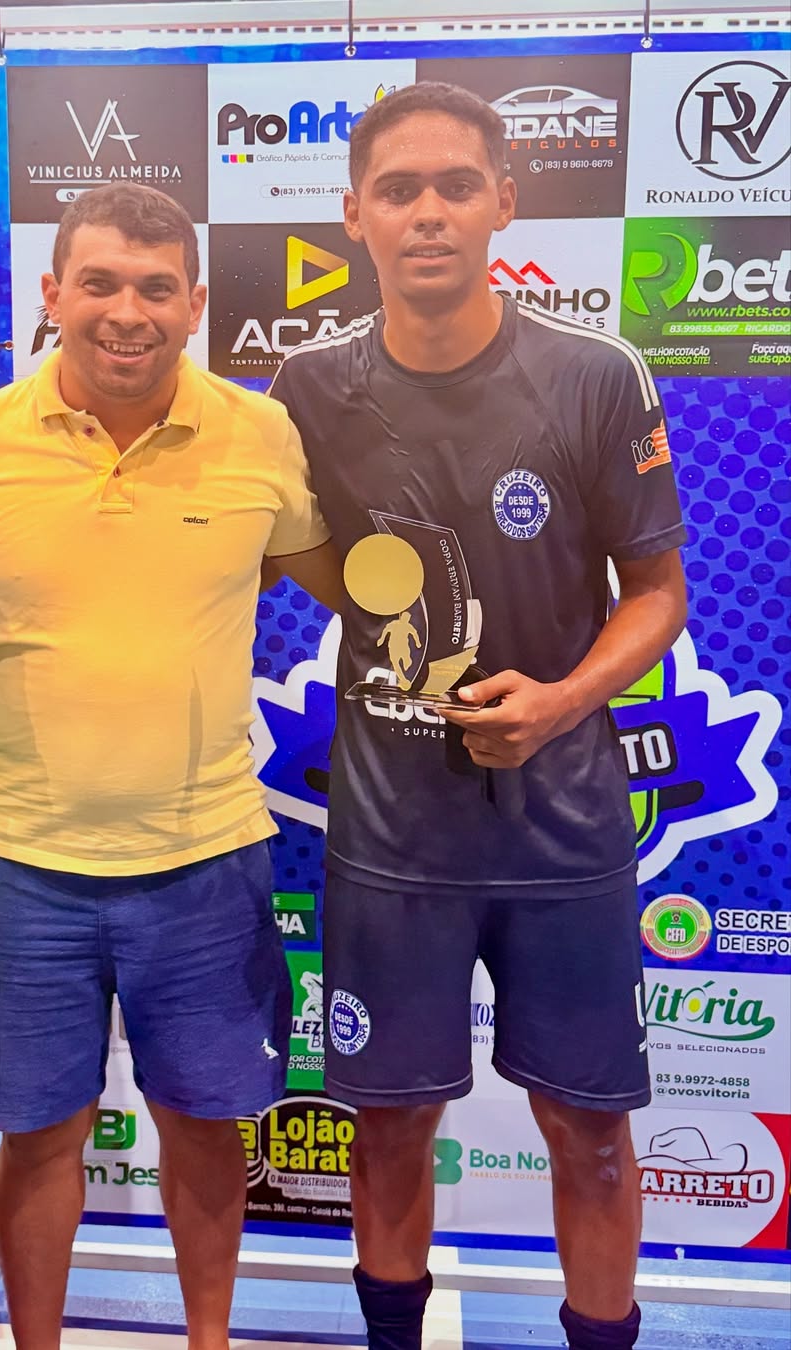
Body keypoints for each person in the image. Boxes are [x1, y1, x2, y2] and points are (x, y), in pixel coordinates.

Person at [269, 82, 687, 1350]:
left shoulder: (596, 374)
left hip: (565, 831)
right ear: (355, 215)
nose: (430, 213)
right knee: (391, 1127)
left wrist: (560, 701)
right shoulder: (306, 387)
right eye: (399, 190)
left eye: (457, 185)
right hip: (392, 839)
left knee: (591, 1133)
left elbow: (658, 595)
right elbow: (281, 546)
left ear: (505, 200)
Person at [0, 181, 343, 1350]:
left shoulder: (260, 434)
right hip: (23, 867)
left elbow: (338, 576)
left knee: (204, 1128)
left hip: (206, 860)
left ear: (195, 302)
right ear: (53, 293)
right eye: (98, 283)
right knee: (40, 1133)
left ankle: (209, 1344)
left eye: (156, 287)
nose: (127, 312)